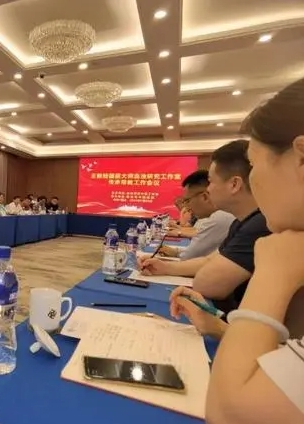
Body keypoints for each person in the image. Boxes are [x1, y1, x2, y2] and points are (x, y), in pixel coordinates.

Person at [169, 78, 304, 423]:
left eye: (255, 165)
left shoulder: (281, 250)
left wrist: (274, 273)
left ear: (301, 158)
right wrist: (218, 327)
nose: (254, 181)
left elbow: (228, 414)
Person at [139, 139, 270, 313]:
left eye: (211, 182)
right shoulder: (241, 222)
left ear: (234, 184)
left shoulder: (260, 225)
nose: (209, 190)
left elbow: (207, 284)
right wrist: (166, 267)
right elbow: (210, 260)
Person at [156, 170, 235, 260]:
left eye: (187, 201)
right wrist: (176, 252)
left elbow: (188, 257)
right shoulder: (224, 214)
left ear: (205, 197)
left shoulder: (220, 217)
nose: (187, 207)